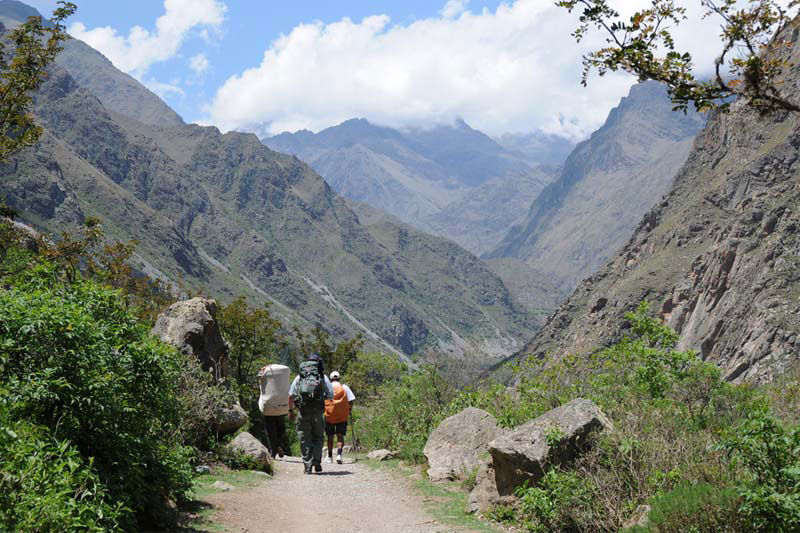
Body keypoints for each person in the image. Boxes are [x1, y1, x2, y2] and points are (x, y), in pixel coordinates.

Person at [288, 353, 334, 474]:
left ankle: (307, 466)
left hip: (303, 411)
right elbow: (330, 396)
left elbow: (291, 395)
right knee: (318, 436)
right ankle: (317, 461)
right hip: (318, 412)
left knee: (304, 437)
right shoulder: (323, 377)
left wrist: (290, 411)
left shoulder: (300, 377)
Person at [258, 364, 291, 459]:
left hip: (269, 404)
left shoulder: (264, 372)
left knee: (270, 429)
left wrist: (262, 371)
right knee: (281, 427)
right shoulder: (285, 370)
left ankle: (274, 449)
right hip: (282, 403)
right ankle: (278, 444)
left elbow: (260, 382)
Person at [324, 371, 356, 464]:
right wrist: (349, 410)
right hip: (342, 416)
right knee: (340, 436)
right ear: (339, 379)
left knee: (330, 437)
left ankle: (329, 457)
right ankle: (339, 455)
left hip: (329, 415)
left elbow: (322, 399)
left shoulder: (327, 387)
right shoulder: (344, 387)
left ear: (331, 379)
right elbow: (351, 400)